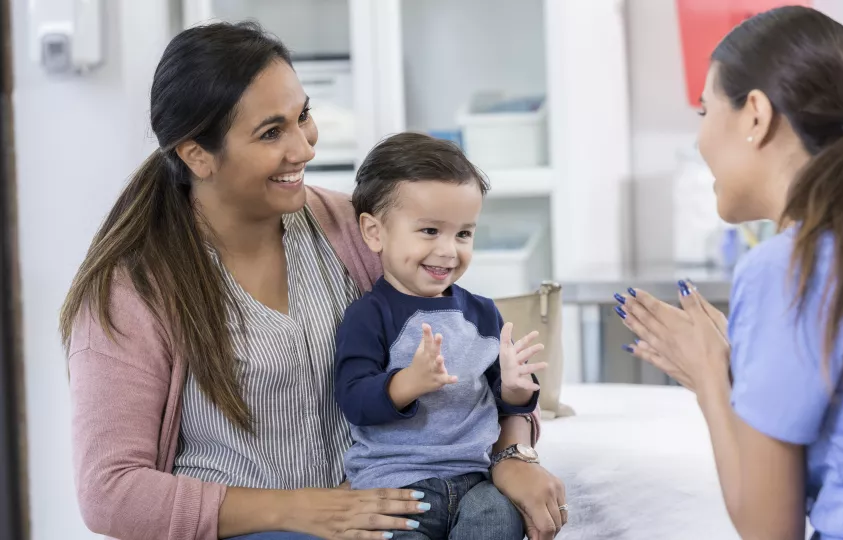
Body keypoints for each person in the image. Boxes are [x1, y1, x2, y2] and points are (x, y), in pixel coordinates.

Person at [61, 21, 565, 540]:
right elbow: (111, 492)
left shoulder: (353, 229)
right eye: (271, 132)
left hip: (386, 521)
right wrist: (293, 509)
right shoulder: (132, 292)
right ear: (197, 154)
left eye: (303, 116)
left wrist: (513, 453)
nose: (304, 148)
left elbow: (472, 368)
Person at [616, 6, 843, 540]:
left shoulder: (789, 267)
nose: (699, 140)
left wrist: (709, 370)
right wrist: (739, 370)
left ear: (755, 114)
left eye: (705, 112)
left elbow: (768, 530)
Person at [333, 133, 551, 540]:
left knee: (501, 518)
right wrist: (406, 384)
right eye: (430, 231)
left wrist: (519, 389)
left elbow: (501, 399)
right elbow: (353, 399)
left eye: (464, 234)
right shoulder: (368, 315)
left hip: (475, 479)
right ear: (374, 232)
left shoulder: (482, 312)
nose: (450, 251)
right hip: (396, 486)